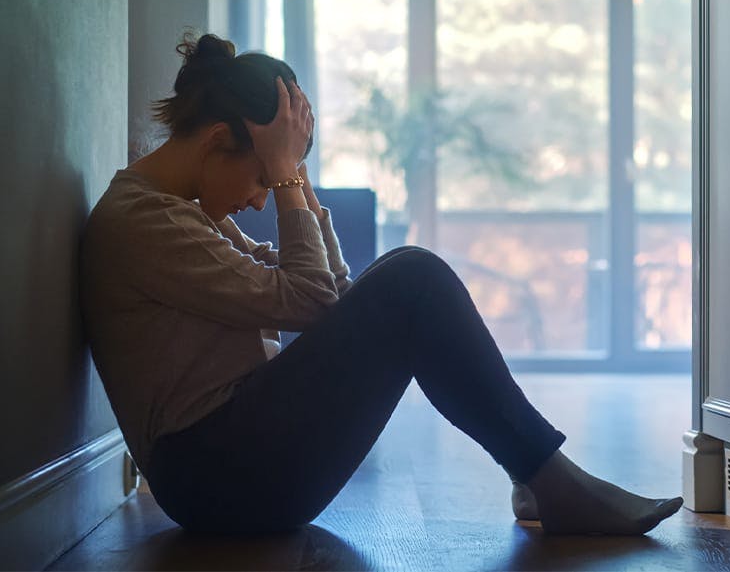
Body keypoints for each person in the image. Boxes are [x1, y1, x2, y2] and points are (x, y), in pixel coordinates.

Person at [80, 33, 683, 536]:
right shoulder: (146, 221)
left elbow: (330, 300)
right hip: (216, 481)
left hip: (234, 463)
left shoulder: (181, 214)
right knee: (413, 276)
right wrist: (288, 178)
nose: (260, 200)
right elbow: (311, 298)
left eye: (273, 182)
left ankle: (540, 478)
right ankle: (546, 479)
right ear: (216, 142)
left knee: (409, 276)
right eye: (263, 178)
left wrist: (297, 183)